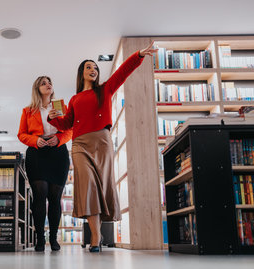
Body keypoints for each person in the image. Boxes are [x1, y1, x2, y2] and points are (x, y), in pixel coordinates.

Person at [48, 42, 157, 252]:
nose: (93, 70)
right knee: (87, 187)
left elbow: (123, 72)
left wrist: (138, 55)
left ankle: (96, 237)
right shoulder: (74, 99)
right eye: (89, 67)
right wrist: (53, 119)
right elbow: (66, 124)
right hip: (79, 144)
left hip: (102, 142)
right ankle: (96, 238)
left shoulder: (105, 89)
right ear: (82, 73)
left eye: (95, 67)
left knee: (101, 187)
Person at [18, 76, 72, 252]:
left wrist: (59, 138)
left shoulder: (61, 107)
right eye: (44, 83)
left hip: (58, 152)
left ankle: (54, 238)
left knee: (55, 198)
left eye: (50, 82)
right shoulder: (28, 111)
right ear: (37, 89)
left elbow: (71, 130)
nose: (48, 85)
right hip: (37, 153)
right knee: (39, 196)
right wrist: (35, 140)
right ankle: (40, 238)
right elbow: (21, 134)